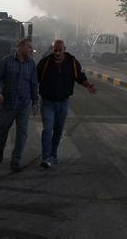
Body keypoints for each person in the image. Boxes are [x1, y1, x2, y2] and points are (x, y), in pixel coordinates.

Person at [36, 38, 97, 169]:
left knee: (58, 130)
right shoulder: (45, 62)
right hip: (47, 102)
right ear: (52, 50)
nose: (57, 53)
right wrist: (31, 96)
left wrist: (88, 86)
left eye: (60, 50)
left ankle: (53, 154)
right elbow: (35, 78)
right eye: (55, 50)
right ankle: (46, 157)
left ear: (64, 49)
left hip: (63, 102)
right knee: (47, 129)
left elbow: (79, 76)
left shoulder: (72, 62)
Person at [0, 37, 39, 172]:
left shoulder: (31, 64)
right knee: (2, 130)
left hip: (24, 104)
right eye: (29, 47)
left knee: (22, 133)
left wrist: (35, 102)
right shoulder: (7, 61)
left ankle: (15, 161)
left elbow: (34, 84)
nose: (31, 50)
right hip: (7, 103)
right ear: (21, 47)